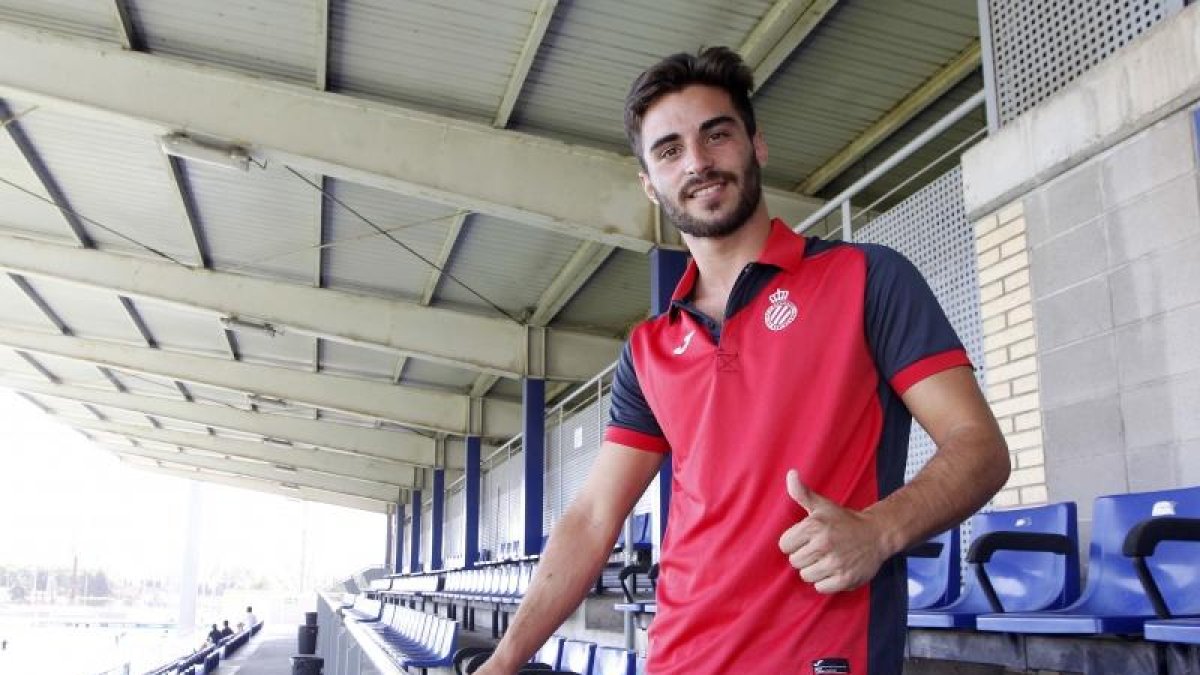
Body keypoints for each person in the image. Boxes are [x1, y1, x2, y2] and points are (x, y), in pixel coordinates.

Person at [476, 46, 1010, 675]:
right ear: (649, 184)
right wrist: (503, 663)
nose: (697, 162)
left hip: (820, 659)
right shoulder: (648, 350)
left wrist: (879, 530)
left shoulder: (866, 278)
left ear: (756, 145)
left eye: (717, 134)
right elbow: (594, 518)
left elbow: (979, 447)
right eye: (669, 150)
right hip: (678, 659)